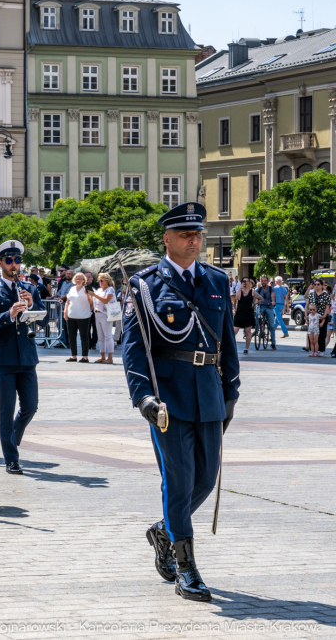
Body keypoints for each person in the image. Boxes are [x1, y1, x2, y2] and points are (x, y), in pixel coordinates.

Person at [120, 201, 239, 603]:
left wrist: (232, 391)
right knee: (180, 480)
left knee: (205, 479)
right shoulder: (145, 284)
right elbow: (134, 349)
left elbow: (227, 342)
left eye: (198, 234)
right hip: (168, 399)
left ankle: (163, 529)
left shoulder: (216, 280)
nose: (195, 241)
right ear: (167, 239)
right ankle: (186, 568)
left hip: (209, 393)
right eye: (186, 235)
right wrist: (143, 399)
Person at [0, 241, 44, 474]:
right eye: (9, 261)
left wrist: (32, 304)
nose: (14, 265)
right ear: (0, 263)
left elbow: (44, 319)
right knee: (6, 410)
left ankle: (11, 440)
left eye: (17, 260)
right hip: (4, 357)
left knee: (31, 406)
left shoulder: (30, 288)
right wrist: (9, 314)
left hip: (27, 356)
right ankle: (11, 458)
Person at [64, 272, 93, 362]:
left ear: (84, 280)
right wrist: (65, 312)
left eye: (80, 279)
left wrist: (88, 295)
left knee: (84, 336)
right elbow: (67, 301)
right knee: (72, 336)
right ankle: (73, 356)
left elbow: (91, 303)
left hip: (84, 317)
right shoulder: (72, 288)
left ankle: (85, 356)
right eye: (77, 278)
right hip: (72, 316)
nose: (78, 280)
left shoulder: (87, 288)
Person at [92, 273, 117, 364]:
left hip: (106, 314)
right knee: (100, 337)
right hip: (97, 313)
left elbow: (106, 300)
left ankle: (110, 357)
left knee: (108, 336)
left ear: (107, 280)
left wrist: (94, 295)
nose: (100, 282)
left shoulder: (110, 289)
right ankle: (102, 356)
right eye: (99, 280)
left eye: (102, 280)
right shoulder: (98, 290)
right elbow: (94, 301)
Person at [252, 275, 277, 350]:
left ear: (267, 281)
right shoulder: (258, 289)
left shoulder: (271, 289)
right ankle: (257, 329)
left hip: (269, 307)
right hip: (261, 306)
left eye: (265, 281)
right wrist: (254, 301)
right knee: (257, 315)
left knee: (272, 325)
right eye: (262, 281)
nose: (263, 282)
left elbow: (273, 296)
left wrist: (273, 301)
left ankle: (273, 342)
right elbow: (254, 296)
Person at [232, 278, 256, 354]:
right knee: (234, 331)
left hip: (248, 313)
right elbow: (237, 299)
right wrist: (240, 288)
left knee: (248, 331)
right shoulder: (240, 291)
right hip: (240, 312)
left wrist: (254, 303)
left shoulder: (252, 292)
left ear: (249, 283)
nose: (245, 283)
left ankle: (246, 348)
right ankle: (231, 347)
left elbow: (256, 299)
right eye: (243, 282)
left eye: (246, 282)